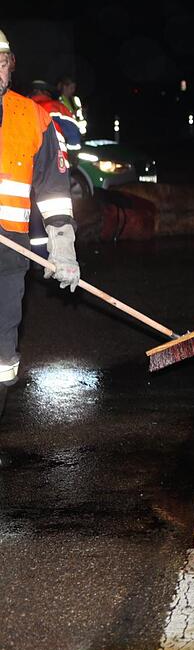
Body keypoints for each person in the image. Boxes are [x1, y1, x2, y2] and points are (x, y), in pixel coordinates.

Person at [0, 30, 80, 415]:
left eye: (1, 63)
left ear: (11, 66)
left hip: (9, 257)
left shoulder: (33, 117)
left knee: (2, 358)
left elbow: (54, 191)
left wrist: (63, 250)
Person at [30, 80, 81, 151]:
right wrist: (73, 145)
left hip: (27, 153)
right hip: (53, 152)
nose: (73, 90)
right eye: (71, 87)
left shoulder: (22, 107)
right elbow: (71, 129)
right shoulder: (55, 106)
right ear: (46, 92)